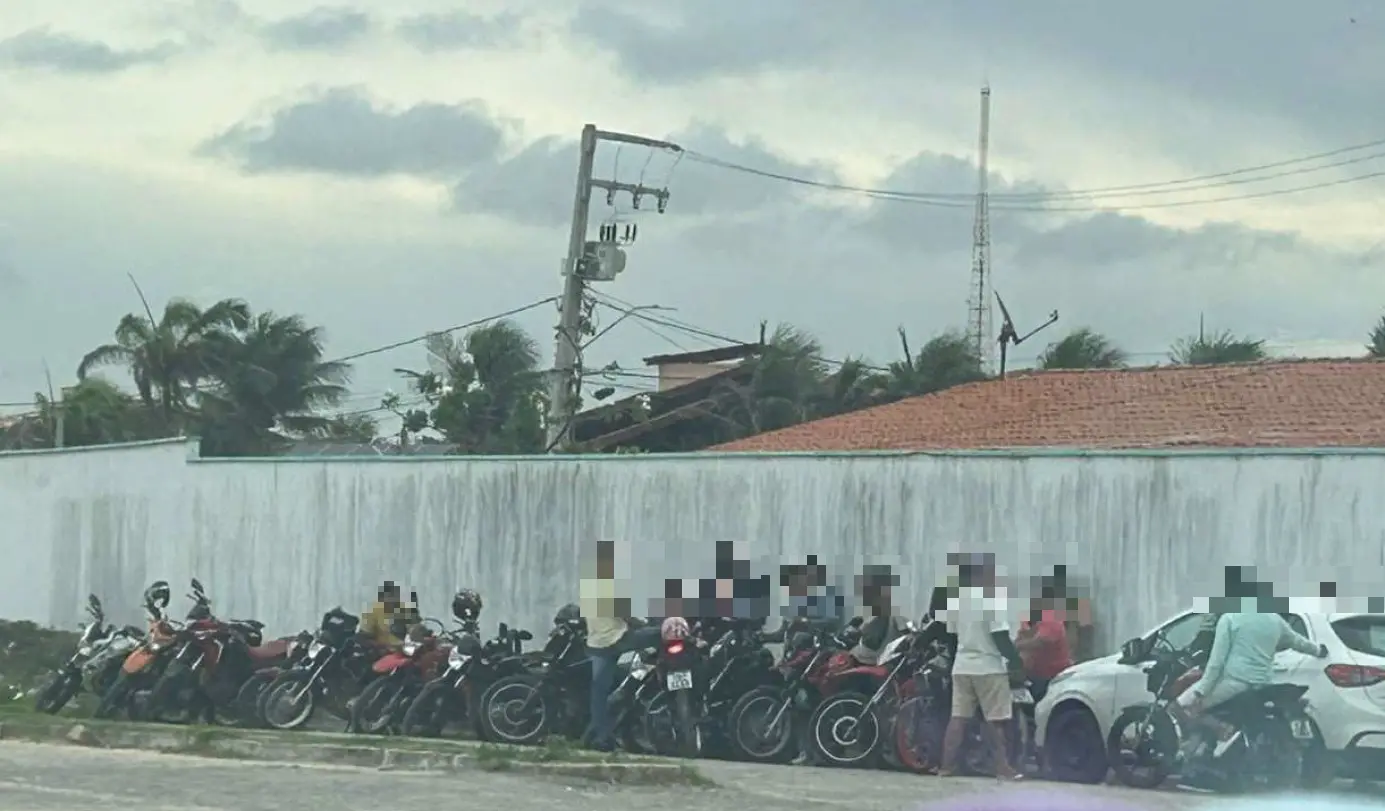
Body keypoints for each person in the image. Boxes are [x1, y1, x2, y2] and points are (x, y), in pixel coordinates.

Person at [1173, 605, 1327, 776]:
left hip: (1233, 682)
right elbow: (1298, 642)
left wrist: (1201, 691)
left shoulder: (1230, 619)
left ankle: (1219, 729)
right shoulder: (1274, 619)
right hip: (1262, 683)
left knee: (1179, 706)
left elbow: (1216, 663)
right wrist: (1319, 650)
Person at [938, 555, 1023, 780]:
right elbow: (1000, 635)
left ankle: (946, 767)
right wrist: (1016, 661)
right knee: (994, 721)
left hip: (962, 666)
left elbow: (952, 635)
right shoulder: (991, 598)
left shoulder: (957, 599)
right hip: (988, 667)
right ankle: (1002, 767)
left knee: (958, 718)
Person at [581, 540, 660, 753]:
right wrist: (645, 624)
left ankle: (600, 737)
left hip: (597, 643)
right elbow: (626, 616)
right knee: (660, 633)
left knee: (599, 691)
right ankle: (656, 668)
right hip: (617, 638)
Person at [1015, 592, 1071, 703]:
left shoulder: (1051, 619)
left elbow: (1041, 642)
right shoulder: (1028, 619)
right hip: (1033, 674)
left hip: (1053, 676)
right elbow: (1021, 636)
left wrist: (1017, 646)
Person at [359, 581, 420, 648]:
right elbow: (363, 638)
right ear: (381, 598)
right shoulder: (371, 611)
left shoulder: (404, 608)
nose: (394, 600)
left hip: (405, 649)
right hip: (383, 650)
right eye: (390, 596)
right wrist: (379, 645)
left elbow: (415, 627)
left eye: (396, 596)